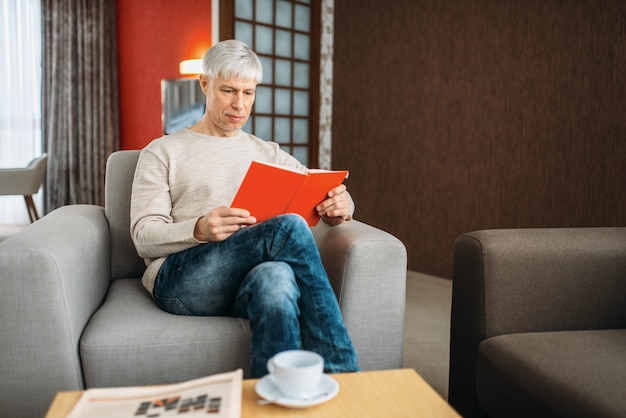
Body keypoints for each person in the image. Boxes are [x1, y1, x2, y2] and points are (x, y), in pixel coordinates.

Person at [130, 39, 359, 378]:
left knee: (277, 277)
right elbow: (143, 237)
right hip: (182, 281)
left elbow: (318, 188)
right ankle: (342, 370)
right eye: (228, 91)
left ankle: (277, 400)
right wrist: (198, 229)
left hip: (244, 281)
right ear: (205, 84)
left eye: (248, 93)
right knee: (288, 227)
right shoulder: (162, 152)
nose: (240, 104)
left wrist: (343, 204)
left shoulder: (268, 152)